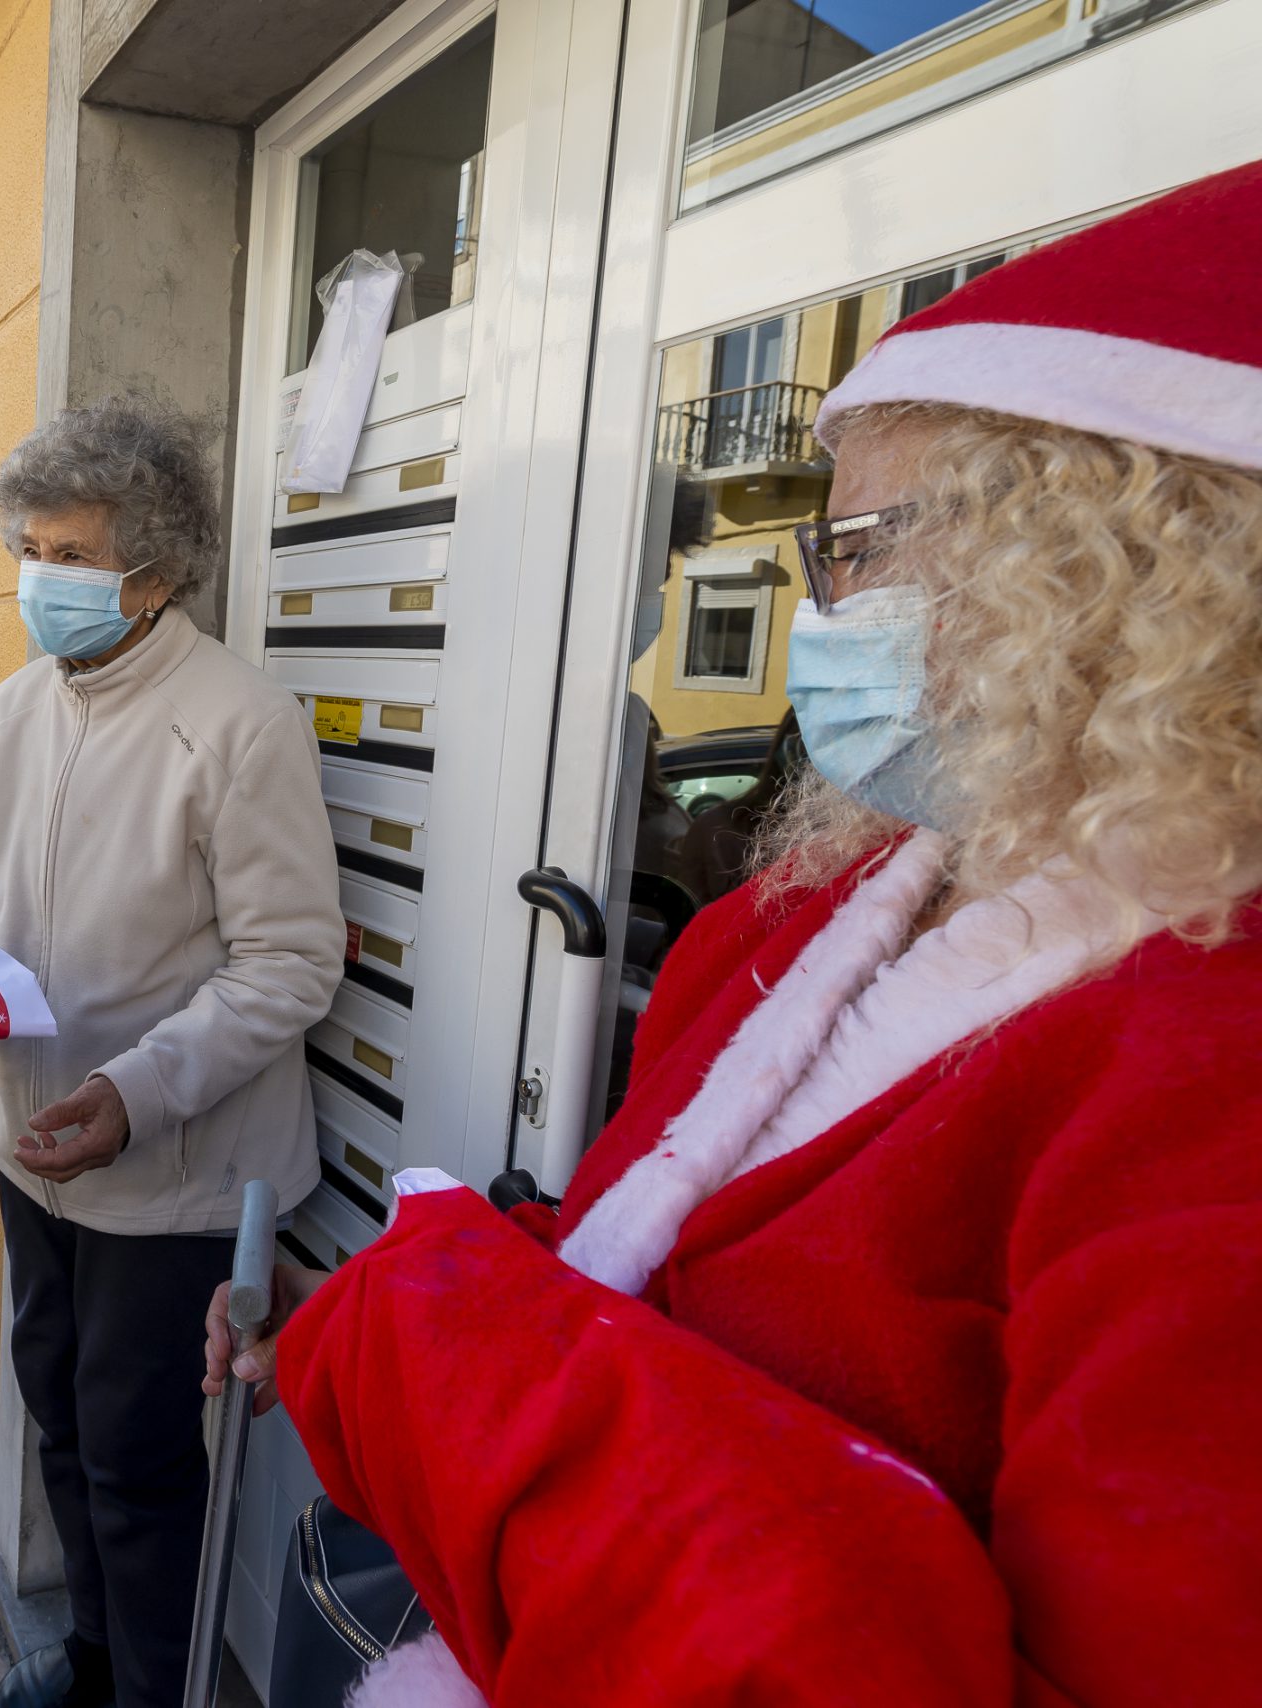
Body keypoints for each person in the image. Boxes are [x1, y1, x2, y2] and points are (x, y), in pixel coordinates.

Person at [205, 161, 1262, 1706]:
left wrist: (428, 1352)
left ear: (1103, 562)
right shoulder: (815, 914)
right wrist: (353, 1321)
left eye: (857, 551)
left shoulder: (1211, 1081)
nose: (821, 610)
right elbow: (621, 1285)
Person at [0, 398, 345, 1708]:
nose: (40, 577)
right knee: (59, 1417)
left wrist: (135, 1091)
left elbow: (293, 961)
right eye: (33, 546)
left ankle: (153, 1692)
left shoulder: (240, 721)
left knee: (140, 1463)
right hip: (31, 1148)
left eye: (72, 554)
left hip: (170, 1176)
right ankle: (98, 1664)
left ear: (158, 574)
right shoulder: (9, 715)